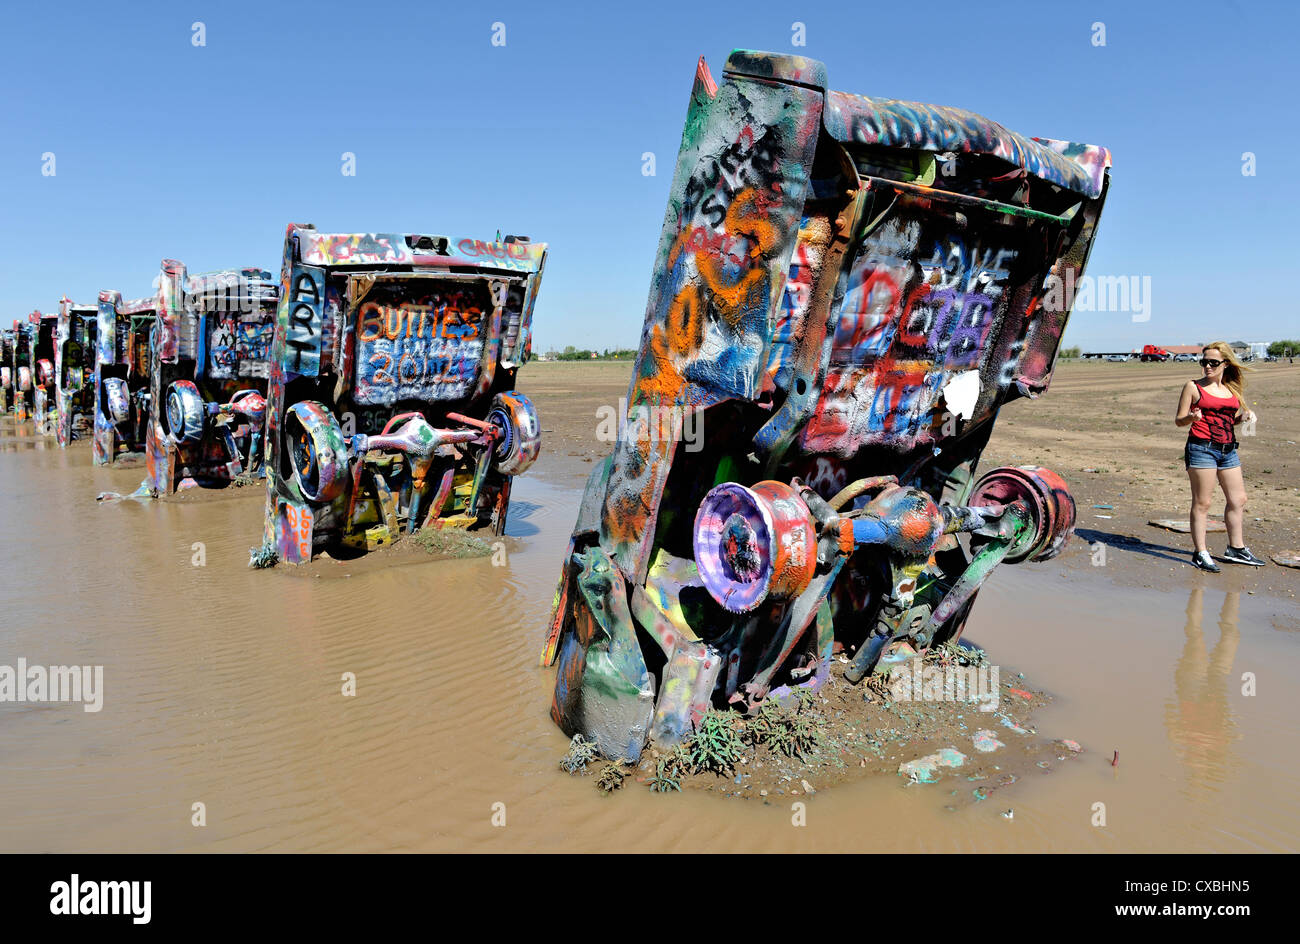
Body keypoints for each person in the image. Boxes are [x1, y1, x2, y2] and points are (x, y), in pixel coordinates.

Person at [1174, 342, 1263, 571]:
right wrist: (1191, 418)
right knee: (1203, 502)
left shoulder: (1231, 389)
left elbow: (1225, 420)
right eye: (1204, 362)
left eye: (1213, 362)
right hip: (1201, 448)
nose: (1207, 366)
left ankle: (1236, 549)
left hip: (1228, 449)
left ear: (1225, 363)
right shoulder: (1193, 387)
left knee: (1238, 499)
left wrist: (1241, 419)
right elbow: (1179, 420)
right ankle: (1200, 552)